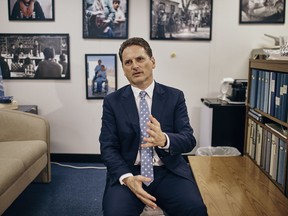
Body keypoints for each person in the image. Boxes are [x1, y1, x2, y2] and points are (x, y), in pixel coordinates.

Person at [99, 37, 207, 216]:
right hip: (130, 172)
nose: (134, 66)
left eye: (140, 59)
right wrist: (127, 179)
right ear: (124, 70)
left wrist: (164, 140)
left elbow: (189, 140)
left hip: (168, 171)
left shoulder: (175, 97)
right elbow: (108, 147)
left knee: (195, 209)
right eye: (128, 62)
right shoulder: (112, 102)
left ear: (153, 62)